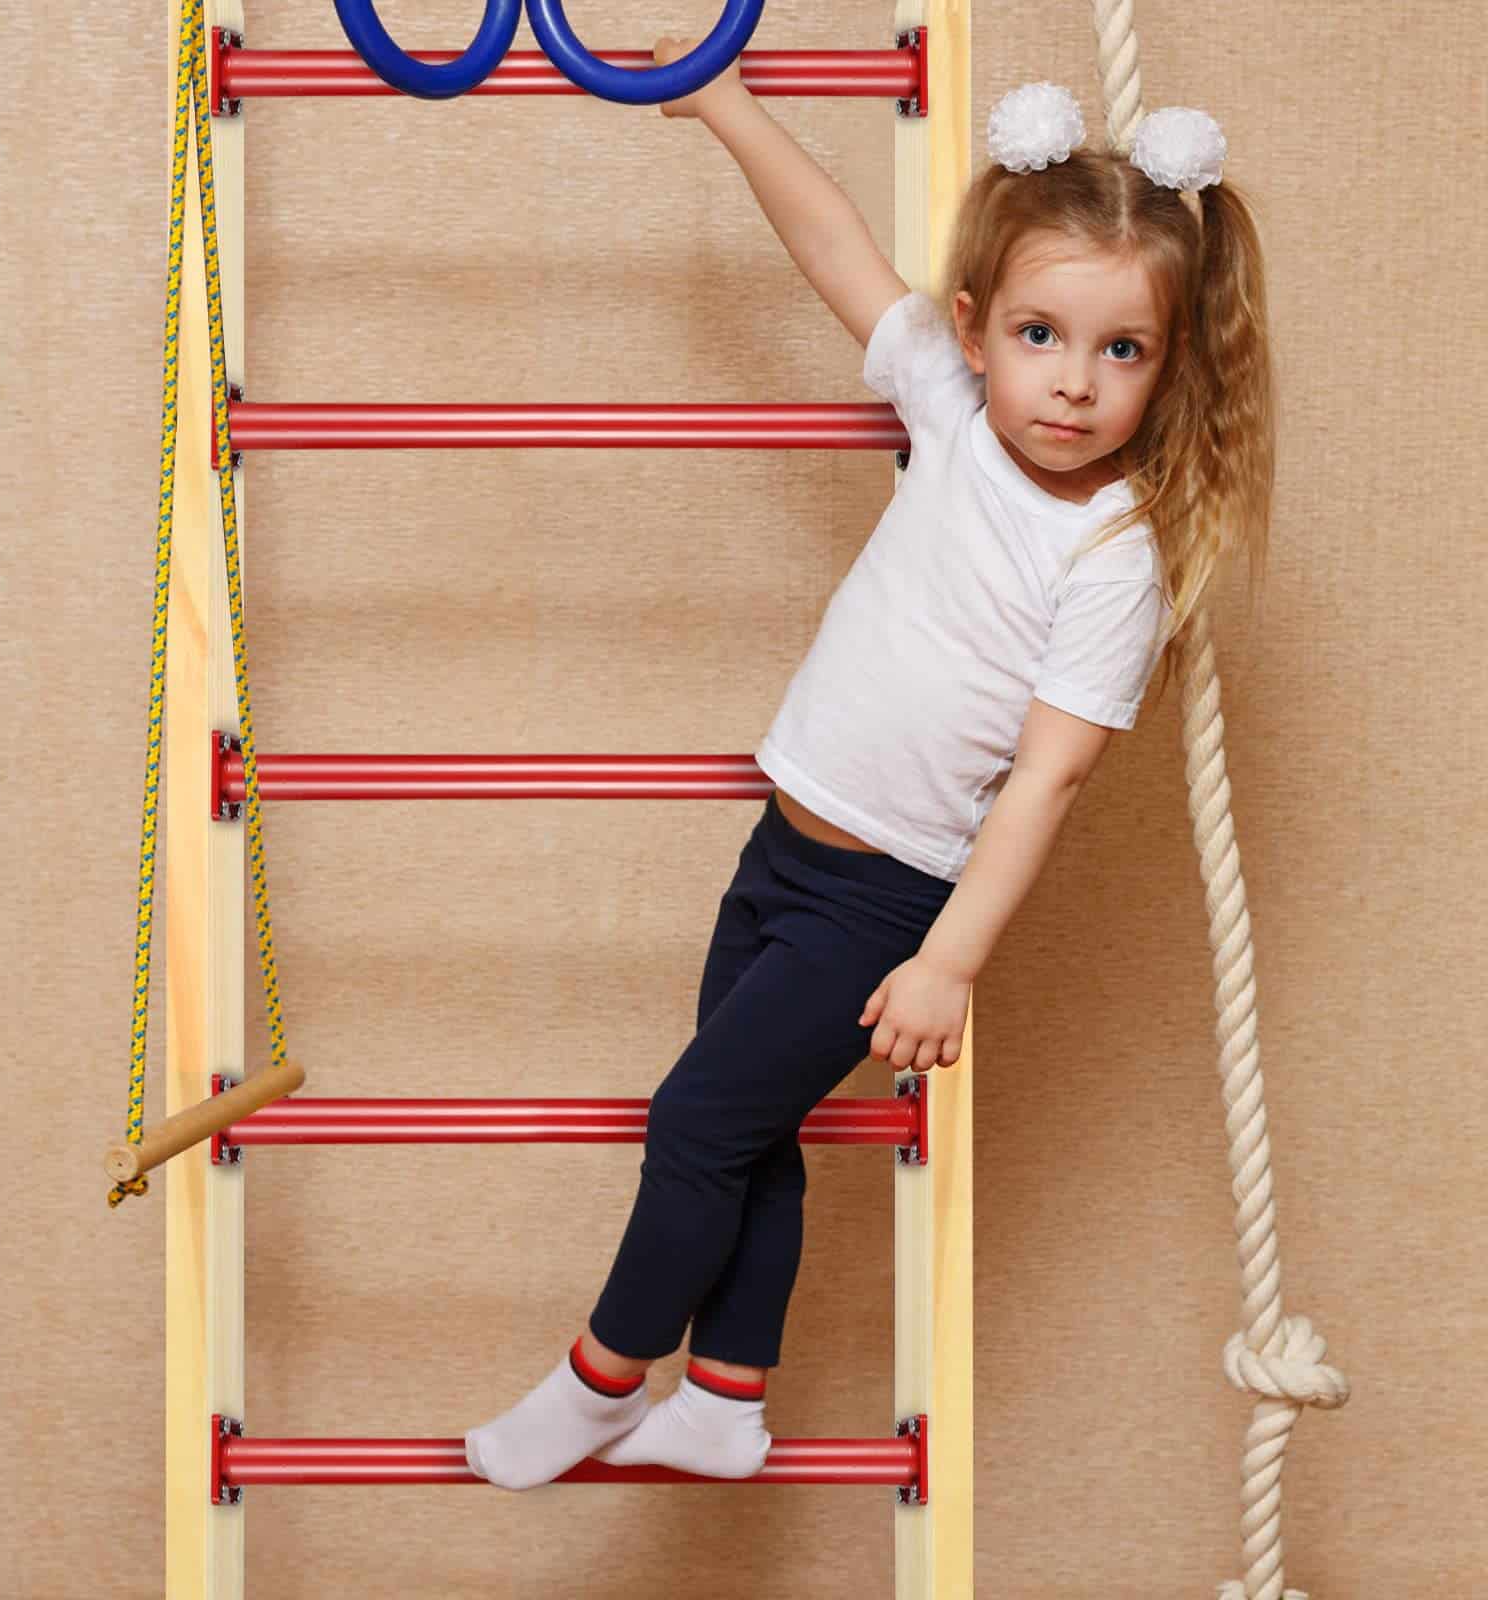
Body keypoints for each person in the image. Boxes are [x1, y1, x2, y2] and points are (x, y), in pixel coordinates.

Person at [464, 56, 1275, 1493]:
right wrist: (726, 108)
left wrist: (948, 960)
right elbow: (835, 247)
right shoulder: (952, 412)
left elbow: (1046, 784)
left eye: (1123, 351)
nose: (1073, 381)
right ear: (975, 330)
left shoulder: (1112, 556)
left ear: (1172, 368)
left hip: (886, 896)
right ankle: (724, 1400)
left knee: (693, 1123)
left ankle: (602, 1378)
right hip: (783, 848)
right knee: (748, 1131)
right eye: (1040, 334)